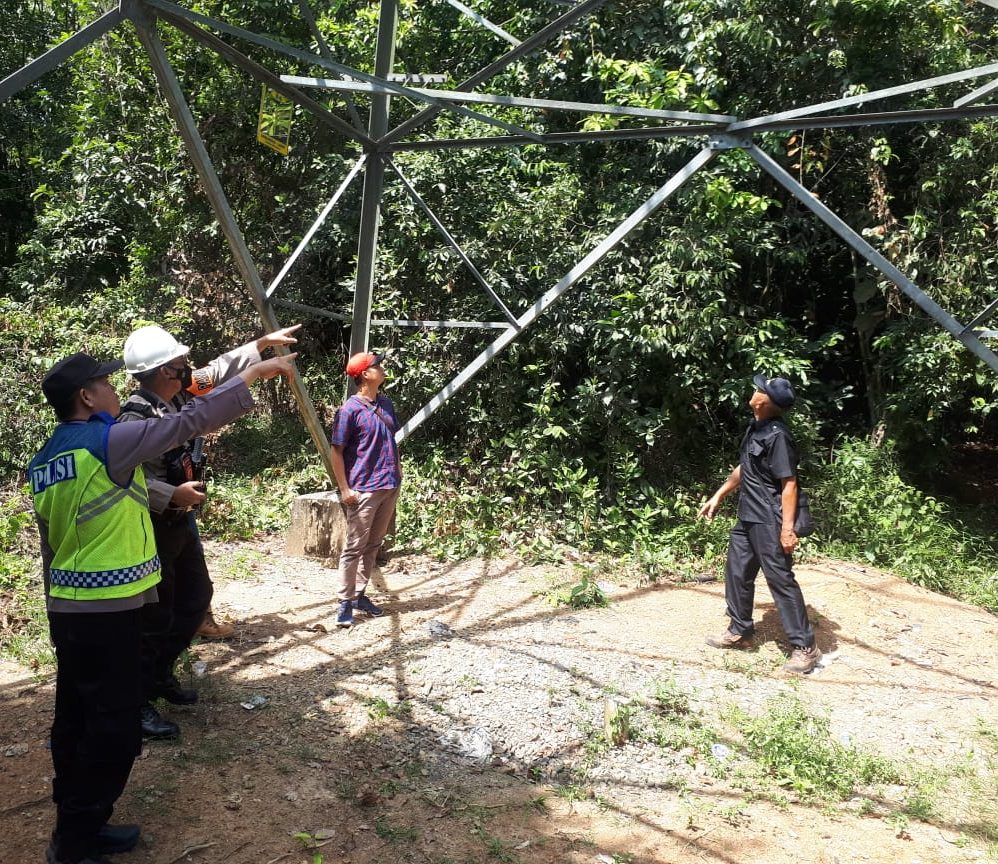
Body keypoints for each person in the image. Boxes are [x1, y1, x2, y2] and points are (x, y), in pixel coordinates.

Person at [29, 349, 296, 864]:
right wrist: (253, 376)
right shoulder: (105, 442)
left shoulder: (46, 457)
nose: (113, 391)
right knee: (113, 727)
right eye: (105, 383)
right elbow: (189, 421)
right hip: (108, 609)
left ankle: (82, 820)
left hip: (70, 609)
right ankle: (74, 842)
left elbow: (51, 543)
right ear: (87, 397)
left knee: (76, 719)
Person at [117, 323, 300, 739]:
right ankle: (137, 700)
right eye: (180, 362)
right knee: (153, 614)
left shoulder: (180, 393)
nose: (188, 366)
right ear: (165, 370)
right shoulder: (134, 416)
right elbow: (126, 480)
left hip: (181, 523)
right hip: (154, 526)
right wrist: (170, 493)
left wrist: (259, 347)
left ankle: (160, 673)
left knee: (196, 597)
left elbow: (217, 372)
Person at [698, 374, 822, 674]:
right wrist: (719, 495)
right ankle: (740, 630)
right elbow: (745, 468)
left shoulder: (778, 435)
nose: (753, 392)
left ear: (765, 401)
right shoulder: (757, 428)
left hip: (770, 519)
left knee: (780, 580)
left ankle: (806, 648)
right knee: (737, 572)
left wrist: (787, 529)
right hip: (748, 516)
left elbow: (789, 483)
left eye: (758, 390)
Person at [330, 351, 402, 627]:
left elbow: (390, 440)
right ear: (365, 375)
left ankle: (359, 594)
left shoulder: (385, 403)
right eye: (377, 366)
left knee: (374, 543)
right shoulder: (349, 410)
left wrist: (398, 472)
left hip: (389, 485)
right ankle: (344, 602)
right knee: (353, 547)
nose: (382, 369)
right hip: (364, 489)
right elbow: (337, 452)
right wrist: (345, 489)